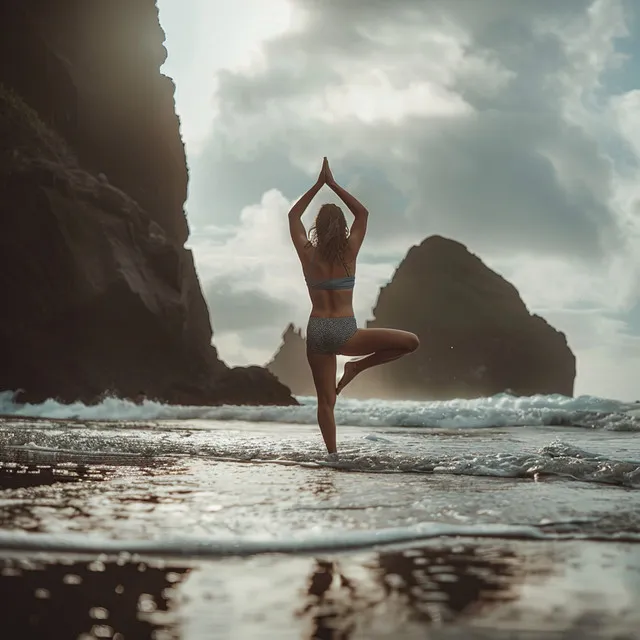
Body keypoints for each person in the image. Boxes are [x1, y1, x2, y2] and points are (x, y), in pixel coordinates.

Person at [288, 157, 419, 454]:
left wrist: (317, 186)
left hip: (318, 329)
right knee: (411, 342)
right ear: (343, 227)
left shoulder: (308, 254)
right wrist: (333, 185)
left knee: (325, 402)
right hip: (345, 331)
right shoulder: (350, 251)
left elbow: (293, 216)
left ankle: (333, 457)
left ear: (317, 228)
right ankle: (357, 366)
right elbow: (362, 212)